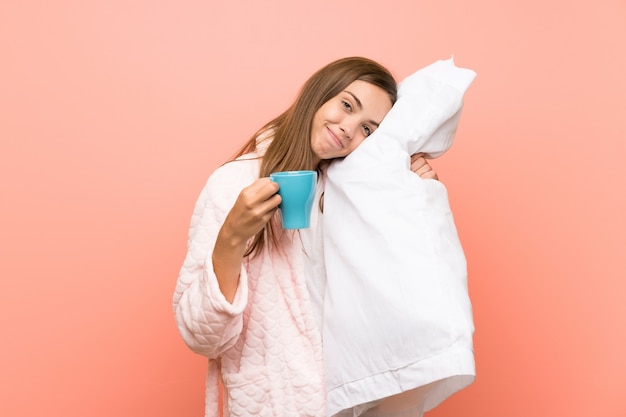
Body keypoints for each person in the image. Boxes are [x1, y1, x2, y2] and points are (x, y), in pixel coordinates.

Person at [173, 57, 438, 417]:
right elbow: (201, 337)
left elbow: (398, 294)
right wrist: (231, 239)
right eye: (346, 105)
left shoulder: (354, 193)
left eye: (368, 130)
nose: (348, 129)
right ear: (318, 94)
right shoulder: (234, 185)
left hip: (353, 404)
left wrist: (415, 199)